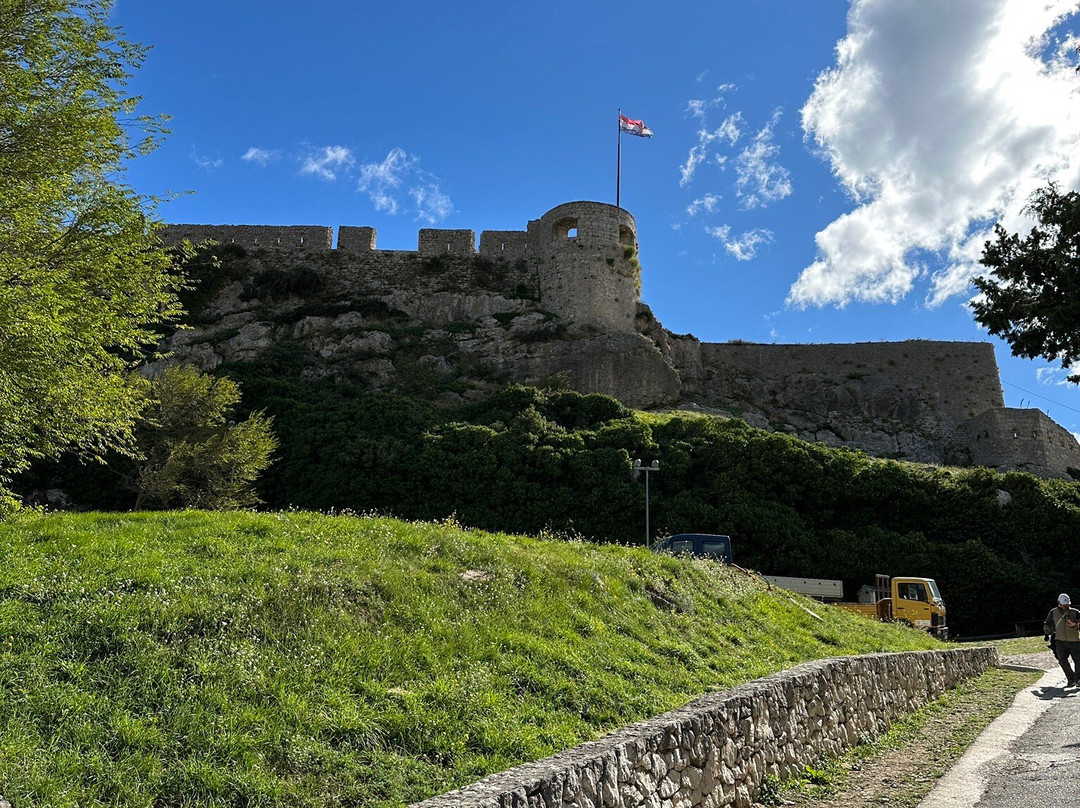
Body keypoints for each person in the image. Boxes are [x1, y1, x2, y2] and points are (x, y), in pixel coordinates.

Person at [1043, 593, 1080, 686]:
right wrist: (1046, 633)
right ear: (1059, 603)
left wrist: (1075, 625)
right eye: (1064, 604)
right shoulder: (1053, 612)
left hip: (1074, 640)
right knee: (1062, 660)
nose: (1066, 606)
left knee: (1078, 661)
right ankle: (1071, 679)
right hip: (1060, 640)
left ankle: (1078, 679)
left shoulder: (1076, 612)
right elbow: (1048, 623)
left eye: (1067, 604)